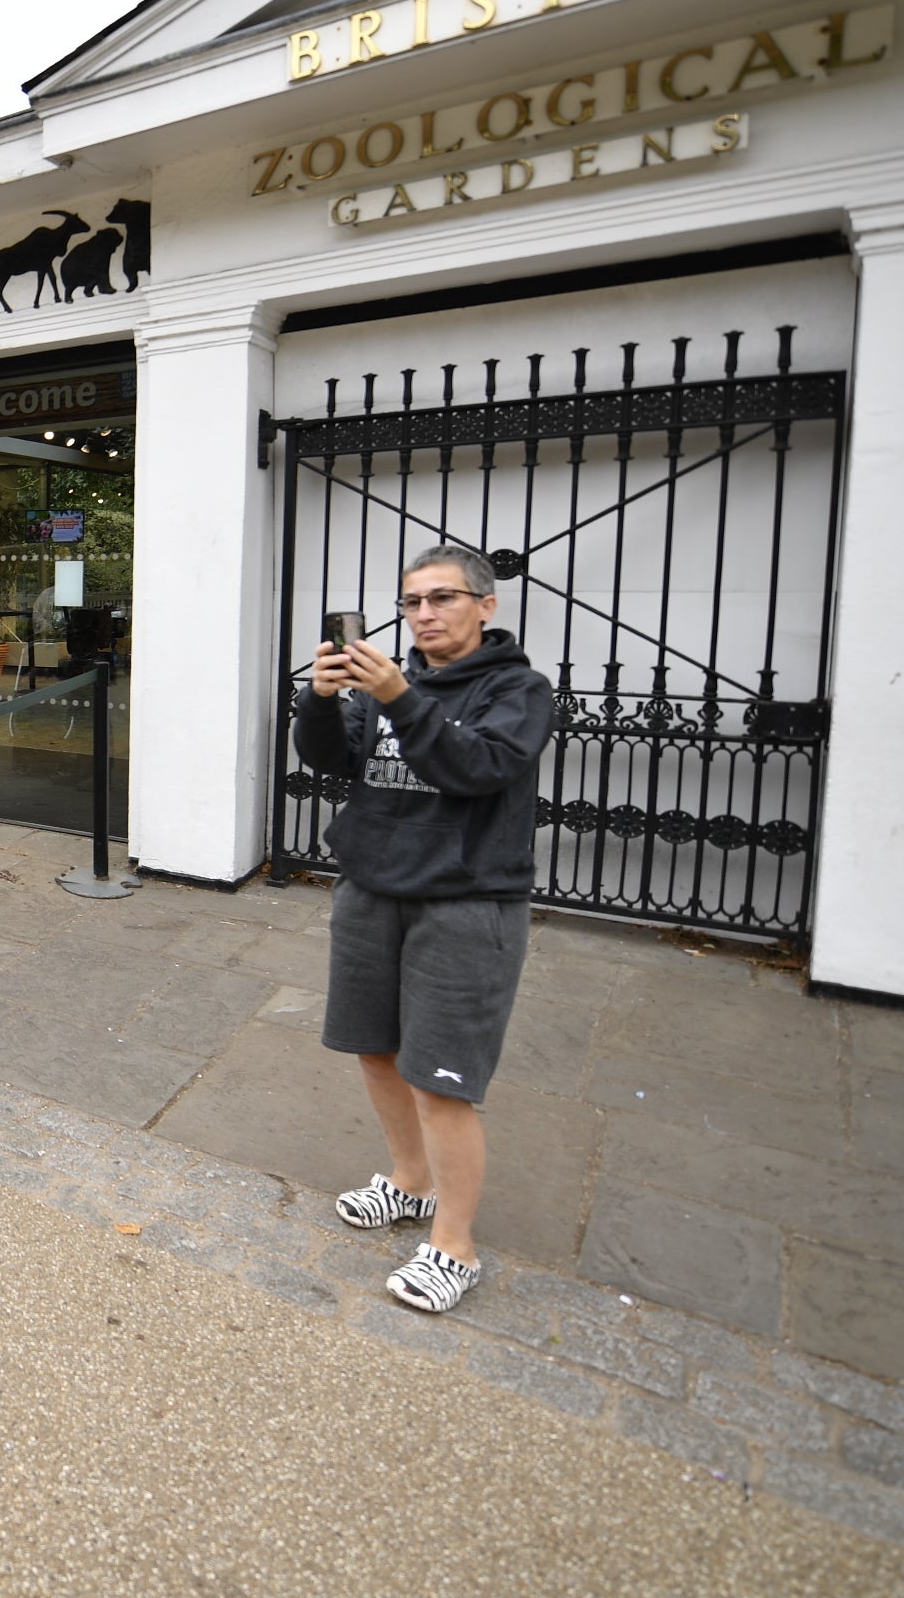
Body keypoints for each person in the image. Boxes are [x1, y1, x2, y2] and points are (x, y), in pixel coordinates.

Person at [292, 543, 554, 1314]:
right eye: (413, 602)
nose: (425, 615)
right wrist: (318, 698)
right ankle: (409, 1182)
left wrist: (405, 698)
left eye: (442, 599)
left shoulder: (520, 690)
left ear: (486, 606)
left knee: (442, 1079)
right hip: (374, 888)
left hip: (467, 902)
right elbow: (332, 762)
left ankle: (454, 1244)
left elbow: (479, 768)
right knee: (374, 1049)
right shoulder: (384, 683)